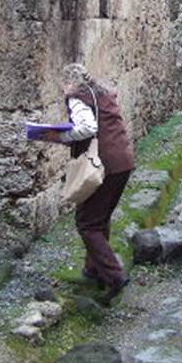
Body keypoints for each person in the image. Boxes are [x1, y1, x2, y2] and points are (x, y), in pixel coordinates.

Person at [41, 63, 135, 301]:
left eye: (63, 84)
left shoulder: (77, 98)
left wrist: (60, 136)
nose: (62, 89)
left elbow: (87, 127)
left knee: (87, 223)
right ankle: (93, 270)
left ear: (69, 83)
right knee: (100, 218)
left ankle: (115, 276)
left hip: (102, 164)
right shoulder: (102, 93)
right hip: (123, 161)